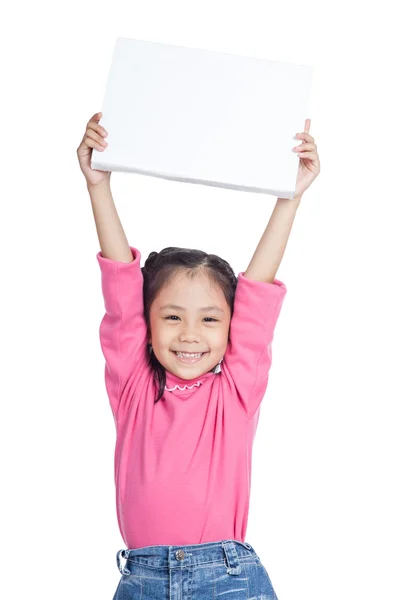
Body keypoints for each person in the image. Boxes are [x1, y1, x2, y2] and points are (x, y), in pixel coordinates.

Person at [76, 111, 320, 600]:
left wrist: (289, 198)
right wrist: (98, 186)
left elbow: (257, 295)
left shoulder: (236, 390)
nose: (190, 334)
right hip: (141, 579)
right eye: (171, 317)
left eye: (210, 319)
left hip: (227, 578)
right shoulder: (133, 389)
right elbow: (122, 293)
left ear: (232, 330)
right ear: (146, 329)